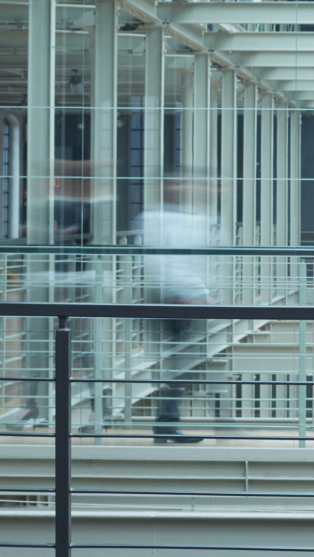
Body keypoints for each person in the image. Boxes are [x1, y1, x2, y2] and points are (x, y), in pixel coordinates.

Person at [136, 169, 214, 444]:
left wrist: (201, 293)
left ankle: (167, 423)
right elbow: (164, 261)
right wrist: (186, 295)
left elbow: (188, 260)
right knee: (177, 363)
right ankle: (166, 423)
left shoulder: (180, 219)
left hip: (180, 297)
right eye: (174, 182)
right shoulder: (159, 219)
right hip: (173, 299)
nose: (179, 187)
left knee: (178, 363)